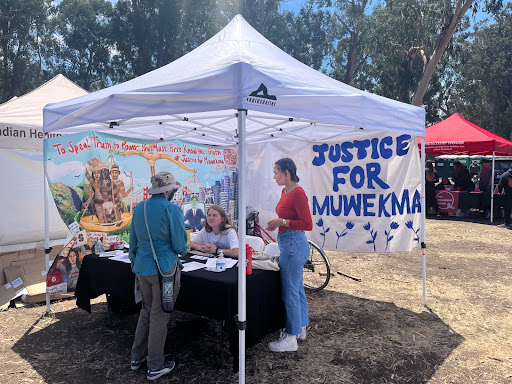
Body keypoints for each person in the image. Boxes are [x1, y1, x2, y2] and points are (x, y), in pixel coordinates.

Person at [129, 171, 188, 380]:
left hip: (142, 268)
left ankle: (137, 357)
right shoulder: (172, 209)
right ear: (169, 191)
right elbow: (181, 246)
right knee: (160, 315)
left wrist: (137, 263)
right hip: (165, 271)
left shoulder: (140, 208)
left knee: (146, 310)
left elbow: (133, 243)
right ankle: (155, 365)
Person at [265, 158, 312, 352]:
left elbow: (307, 224)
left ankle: (291, 337)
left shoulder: (298, 193)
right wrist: (278, 222)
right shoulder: (286, 191)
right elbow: (287, 217)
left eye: (276, 173)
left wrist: (282, 222)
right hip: (289, 243)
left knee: (290, 291)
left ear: (287, 173)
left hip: (294, 244)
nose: (274, 176)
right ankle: (300, 327)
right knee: (296, 288)